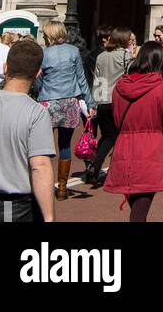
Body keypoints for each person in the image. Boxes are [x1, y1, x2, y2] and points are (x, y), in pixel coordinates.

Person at [0, 38, 55, 223]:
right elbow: (39, 165)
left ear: (5, 67)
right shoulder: (36, 113)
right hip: (19, 208)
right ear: (38, 73)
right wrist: (49, 216)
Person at [104, 41, 163, 221]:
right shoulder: (159, 89)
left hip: (124, 145)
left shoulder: (119, 87)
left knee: (137, 208)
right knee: (140, 211)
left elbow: (117, 119)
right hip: (150, 148)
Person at [35, 19, 95, 200]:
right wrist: (90, 103)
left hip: (47, 102)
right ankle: (62, 187)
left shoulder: (44, 54)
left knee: (41, 146)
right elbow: (81, 79)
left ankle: (42, 184)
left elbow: (38, 82)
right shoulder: (74, 51)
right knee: (64, 145)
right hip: (69, 101)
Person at [85, 26, 132, 186]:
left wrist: (96, 103)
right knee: (116, 137)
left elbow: (98, 80)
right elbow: (130, 77)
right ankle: (100, 167)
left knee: (106, 136)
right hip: (118, 100)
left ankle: (94, 165)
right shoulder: (125, 56)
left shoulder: (102, 56)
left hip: (102, 100)